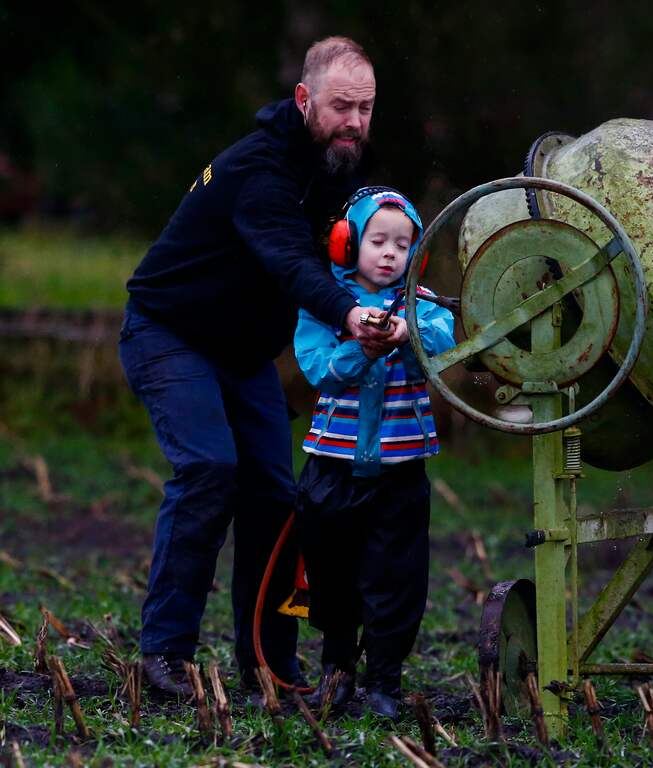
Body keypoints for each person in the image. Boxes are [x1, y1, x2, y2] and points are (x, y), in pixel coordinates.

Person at [119, 36, 401, 696]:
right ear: (304, 100)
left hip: (243, 356)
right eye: (341, 107)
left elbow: (368, 252)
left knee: (278, 497)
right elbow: (290, 261)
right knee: (210, 468)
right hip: (168, 332)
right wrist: (350, 316)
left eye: (366, 108)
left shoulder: (343, 173)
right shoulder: (260, 171)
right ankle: (163, 654)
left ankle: (267, 661)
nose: (354, 122)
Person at [292, 186, 455, 720]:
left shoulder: (421, 302)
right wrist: (360, 346)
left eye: (403, 244)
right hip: (331, 469)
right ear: (348, 244)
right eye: (378, 241)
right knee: (331, 576)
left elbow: (446, 337)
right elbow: (319, 369)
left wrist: (408, 332)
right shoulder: (324, 303)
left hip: (400, 474)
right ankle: (335, 675)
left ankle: (384, 682)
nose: (390, 253)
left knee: (396, 580)